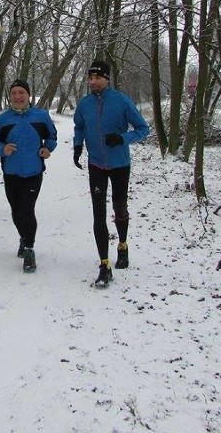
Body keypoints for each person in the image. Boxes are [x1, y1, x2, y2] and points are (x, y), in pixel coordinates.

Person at [73, 59, 149, 286]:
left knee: (119, 206)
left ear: (107, 78)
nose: (93, 82)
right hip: (96, 164)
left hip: (119, 164)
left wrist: (123, 138)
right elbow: (79, 126)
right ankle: (104, 264)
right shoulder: (84, 104)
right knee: (98, 213)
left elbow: (143, 129)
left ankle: (123, 244)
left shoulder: (121, 101)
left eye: (98, 78)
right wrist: (78, 146)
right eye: (91, 78)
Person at [0, 79, 57, 272]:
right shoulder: (3, 119)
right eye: (14, 94)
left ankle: (29, 249)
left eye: (21, 93)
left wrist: (47, 148)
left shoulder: (41, 116)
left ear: (28, 95)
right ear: (10, 97)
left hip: (33, 171)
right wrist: (3, 148)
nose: (18, 97)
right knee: (16, 211)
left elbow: (52, 137)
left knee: (27, 209)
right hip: (11, 173)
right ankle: (24, 236)